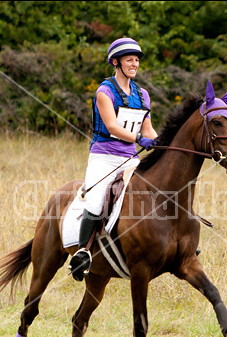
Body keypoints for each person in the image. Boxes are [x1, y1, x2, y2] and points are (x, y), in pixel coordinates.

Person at [69, 37, 158, 281]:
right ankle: (82, 253)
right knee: (96, 200)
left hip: (131, 159)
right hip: (104, 157)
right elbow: (112, 126)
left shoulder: (143, 94)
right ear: (116, 62)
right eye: (129, 59)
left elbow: (148, 129)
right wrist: (139, 138)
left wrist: (160, 143)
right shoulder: (104, 91)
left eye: (137, 59)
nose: (135, 63)